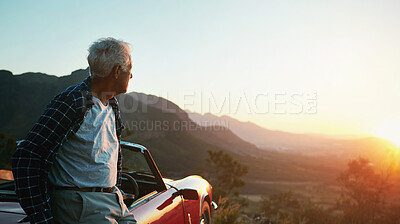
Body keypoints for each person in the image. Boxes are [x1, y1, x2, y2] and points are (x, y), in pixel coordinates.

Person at [12, 37, 136, 224]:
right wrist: (42, 217)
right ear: (117, 71)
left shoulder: (112, 105)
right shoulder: (73, 101)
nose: (131, 76)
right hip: (81, 206)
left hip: (113, 200)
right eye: (130, 70)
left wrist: (116, 189)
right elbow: (26, 155)